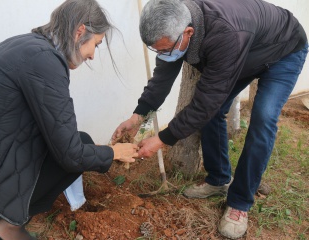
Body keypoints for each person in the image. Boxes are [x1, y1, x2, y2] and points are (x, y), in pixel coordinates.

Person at [112, 0, 307, 238]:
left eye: (165, 50)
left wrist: (162, 139)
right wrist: (138, 115)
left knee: (263, 119)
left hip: (283, 51)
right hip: (246, 50)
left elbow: (204, 103)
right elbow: (162, 79)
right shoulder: (173, 30)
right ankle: (219, 179)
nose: (162, 55)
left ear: (189, 32)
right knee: (213, 112)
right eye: (157, 50)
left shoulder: (224, 35)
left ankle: (240, 203)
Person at [0, 0, 139, 239]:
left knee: (82, 140)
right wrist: (114, 153)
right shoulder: (45, 62)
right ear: (80, 31)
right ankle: (5, 227)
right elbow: (70, 155)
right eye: (96, 45)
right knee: (79, 149)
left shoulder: (26, 46)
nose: (91, 55)